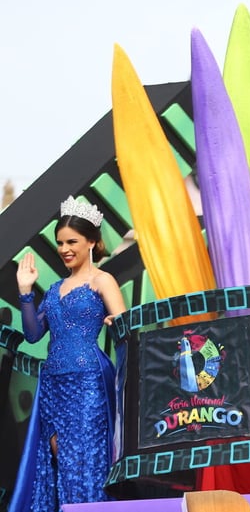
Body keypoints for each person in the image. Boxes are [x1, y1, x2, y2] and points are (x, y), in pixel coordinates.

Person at [11, 196, 126, 512]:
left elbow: (127, 329)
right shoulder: (53, 289)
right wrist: (25, 291)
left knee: (86, 457)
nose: (64, 249)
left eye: (71, 241)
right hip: (53, 386)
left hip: (89, 382)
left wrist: (116, 323)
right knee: (60, 457)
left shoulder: (103, 280)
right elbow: (34, 334)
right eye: (60, 242)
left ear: (92, 242)